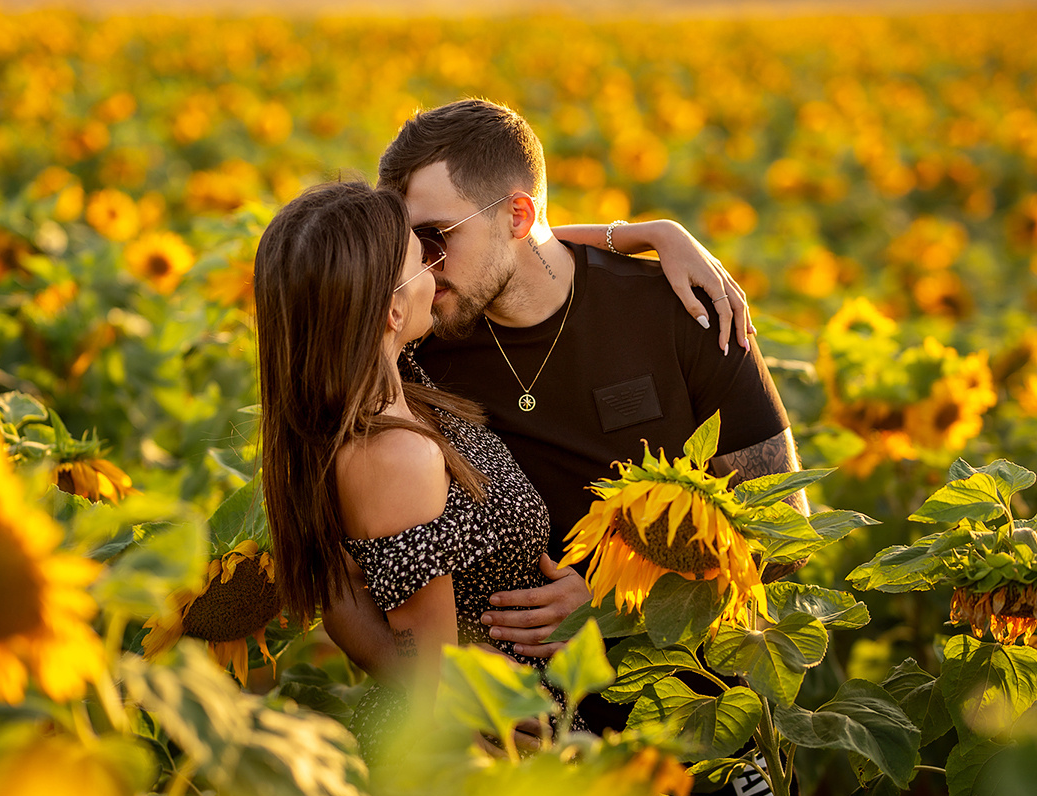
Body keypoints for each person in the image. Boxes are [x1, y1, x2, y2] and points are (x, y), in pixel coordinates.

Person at [321, 99, 809, 742]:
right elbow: (336, 579)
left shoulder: (679, 311)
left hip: (691, 711)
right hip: (512, 737)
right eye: (410, 248)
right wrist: (448, 705)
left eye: (438, 238)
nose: (422, 268)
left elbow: (784, 541)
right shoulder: (412, 341)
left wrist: (623, 603)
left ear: (518, 215)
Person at [255, 180, 590, 762]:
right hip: (489, 752)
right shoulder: (396, 457)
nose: (439, 269)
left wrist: (652, 236)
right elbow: (431, 674)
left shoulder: (394, 387)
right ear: (390, 308)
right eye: (423, 258)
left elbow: (504, 252)